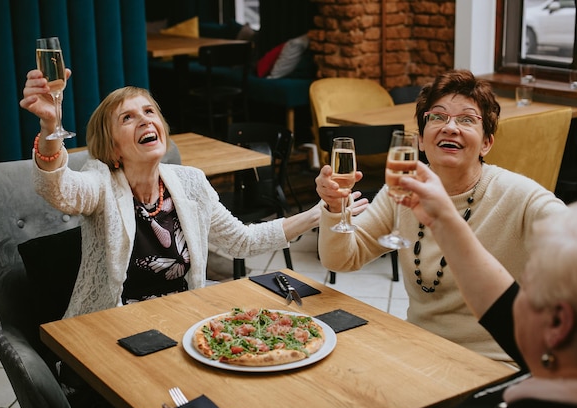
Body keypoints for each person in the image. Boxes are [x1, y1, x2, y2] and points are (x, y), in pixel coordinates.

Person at [20, 68, 369, 318]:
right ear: (112, 149)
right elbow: (60, 190)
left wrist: (320, 211)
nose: (144, 120)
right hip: (110, 326)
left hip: (181, 318)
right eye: (127, 118)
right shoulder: (100, 181)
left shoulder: (190, 182)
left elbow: (241, 240)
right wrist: (50, 128)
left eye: (149, 111)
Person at [315, 69, 567, 363]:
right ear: (421, 139)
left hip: (496, 362)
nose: (450, 127)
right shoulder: (402, 191)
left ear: (486, 143)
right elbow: (341, 259)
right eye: (438, 116)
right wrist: (334, 208)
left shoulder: (519, 196)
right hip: (419, 350)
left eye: (467, 119)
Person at [399, 162, 577, 408]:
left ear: (559, 323)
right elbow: (500, 305)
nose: (514, 295)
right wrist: (443, 220)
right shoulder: (561, 361)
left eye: (525, 285)